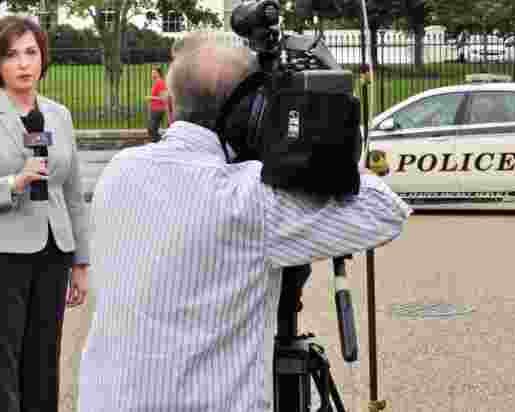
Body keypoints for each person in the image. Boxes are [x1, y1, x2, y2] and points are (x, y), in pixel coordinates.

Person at [77, 34, 412, 411]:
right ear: (253, 115)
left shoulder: (119, 172)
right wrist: (330, 158)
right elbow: (386, 210)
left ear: (170, 108)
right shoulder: (247, 199)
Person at [0, 15, 90, 412]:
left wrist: (80, 261)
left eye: (31, 53)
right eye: (12, 55)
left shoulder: (59, 115)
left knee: (44, 369)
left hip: (54, 254)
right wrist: (13, 183)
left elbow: (73, 193)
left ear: (43, 58)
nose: (24, 64)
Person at [145, 66, 168, 141]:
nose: (152, 74)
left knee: (152, 129)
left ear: (158, 74)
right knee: (151, 129)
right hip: (155, 109)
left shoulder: (160, 83)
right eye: (152, 73)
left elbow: (164, 98)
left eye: (154, 73)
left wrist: (150, 98)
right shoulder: (157, 83)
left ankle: (160, 143)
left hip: (158, 110)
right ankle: (159, 143)